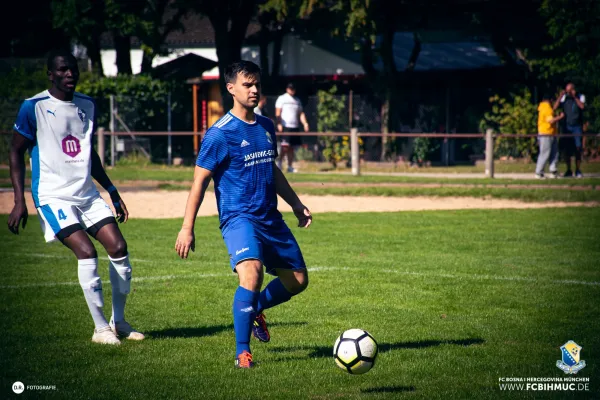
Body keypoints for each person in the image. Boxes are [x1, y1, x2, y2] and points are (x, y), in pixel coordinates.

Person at [175, 61, 312, 369]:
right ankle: (242, 354)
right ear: (231, 88)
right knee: (252, 273)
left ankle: (255, 310)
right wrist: (187, 228)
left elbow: (272, 169)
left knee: (298, 280)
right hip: (239, 218)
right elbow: (199, 181)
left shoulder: (266, 126)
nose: (254, 90)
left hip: (270, 218)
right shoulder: (219, 134)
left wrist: (295, 203)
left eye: (257, 84)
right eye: (247, 85)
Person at [7, 49, 144, 345]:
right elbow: (15, 150)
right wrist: (19, 200)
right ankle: (100, 330)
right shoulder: (33, 107)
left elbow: (88, 152)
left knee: (119, 247)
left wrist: (112, 189)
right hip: (53, 196)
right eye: (63, 69)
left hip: (87, 194)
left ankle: (118, 322)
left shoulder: (88, 105)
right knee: (86, 252)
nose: (70, 74)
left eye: (74, 69)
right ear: (51, 74)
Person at [275, 83, 309, 172]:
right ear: (287, 89)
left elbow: (301, 113)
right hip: (285, 126)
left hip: (295, 126)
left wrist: (305, 123)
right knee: (284, 147)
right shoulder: (282, 98)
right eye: (290, 88)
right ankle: (279, 164)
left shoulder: (297, 100)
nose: (292, 90)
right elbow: (278, 112)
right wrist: (279, 124)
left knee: (291, 148)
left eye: (293, 88)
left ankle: (290, 166)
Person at [553, 82, 585, 178]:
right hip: (566, 126)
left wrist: (575, 97)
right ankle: (569, 170)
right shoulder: (564, 98)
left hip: (576, 126)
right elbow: (554, 107)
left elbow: (582, 106)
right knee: (567, 149)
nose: (568, 93)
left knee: (578, 148)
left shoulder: (580, 96)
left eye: (570, 90)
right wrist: (560, 96)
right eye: (567, 91)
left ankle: (578, 170)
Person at [535, 93, 564, 179]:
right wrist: (560, 117)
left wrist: (560, 97)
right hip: (546, 133)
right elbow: (551, 121)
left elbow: (554, 108)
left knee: (554, 153)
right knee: (545, 153)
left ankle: (553, 171)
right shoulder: (547, 108)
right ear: (550, 100)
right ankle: (538, 172)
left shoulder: (544, 107)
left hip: (551, 133)